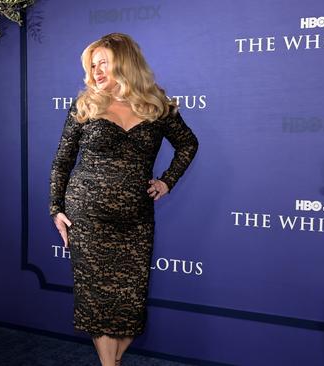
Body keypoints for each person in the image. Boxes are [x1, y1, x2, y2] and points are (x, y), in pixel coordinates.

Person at [49, 33, 198, 366]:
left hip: (135, 221)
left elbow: (188, 144)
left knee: (130, 304)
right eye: (93, 65)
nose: (97, 71)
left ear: (125, 62)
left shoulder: (157, 104)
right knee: (98, 301)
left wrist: (166, 182)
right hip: (87, 217)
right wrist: (56, 209)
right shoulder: (86, 105)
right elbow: (62, 160)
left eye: (104, 62)